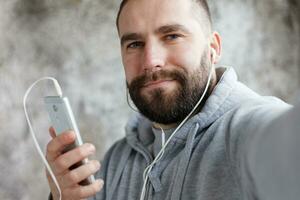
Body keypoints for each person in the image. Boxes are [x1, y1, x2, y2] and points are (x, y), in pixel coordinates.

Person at [45, 0, 300, 199]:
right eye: (134, 44)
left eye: (172, 36)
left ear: (213, 48)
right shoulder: (116, 162)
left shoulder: (254, 130)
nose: (151, 61)